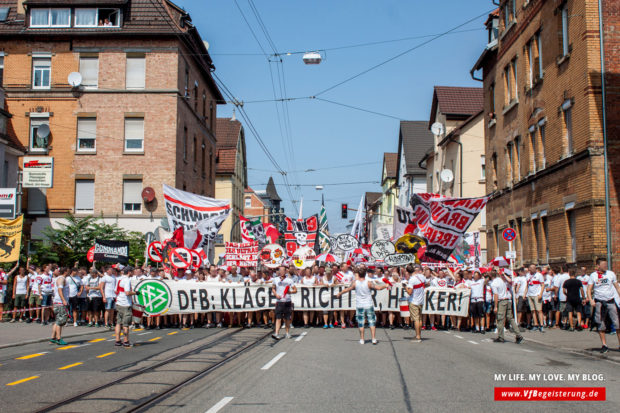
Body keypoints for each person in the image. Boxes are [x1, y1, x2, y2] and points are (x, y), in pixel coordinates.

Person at [337, 267, 388, 345]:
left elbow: (347, 289)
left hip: (360, 305)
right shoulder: (368, 282)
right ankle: (373, 338)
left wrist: (340, 293)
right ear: (365, 274)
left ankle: (362, 339)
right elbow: (379, 288)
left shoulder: (355, 283)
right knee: (372, 321)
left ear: (359, 274)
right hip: (368, 304)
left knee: (361, 322)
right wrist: (386, 285)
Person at [587, 258, 620, 353]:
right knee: (601, 324)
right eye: (603, 264)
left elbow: (617, 287)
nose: (605, 266)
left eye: (606, 264)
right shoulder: (593, 276)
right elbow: (589, 289)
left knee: (617, 323)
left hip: (610, 301)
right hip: (599, 302)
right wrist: (591, 300)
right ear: (598, 266)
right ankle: (604, 345)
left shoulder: (611, 274)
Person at [491, 270, 523, 344]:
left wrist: (495, 306)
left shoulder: (494, 283)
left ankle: (501, 337)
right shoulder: (501, 280)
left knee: (500, 319)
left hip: (502, 301)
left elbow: (496, 295)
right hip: (507, 300)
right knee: (510, 318)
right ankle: (518, 334)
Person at [114, 267, 139, 347]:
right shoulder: (127, 280)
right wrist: (135, 293)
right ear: (129, 272)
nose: (133, 273)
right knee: (126, 324)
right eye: (132, 271)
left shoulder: (118, 279)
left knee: (118, 323)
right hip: (125, 304)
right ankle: (126, 341)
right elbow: (127, 292)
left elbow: (116, 290)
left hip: (119, 302)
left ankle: (117, 340)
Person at [272, 266, 297, 340]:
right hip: (279, 301)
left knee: (287, 318)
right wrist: (276, 294)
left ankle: (287, 332)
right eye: (280, 270)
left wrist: (290, 292)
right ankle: (276, 333)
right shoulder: (275, 279)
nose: (282, 272)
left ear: (285, 271)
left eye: (283, 270)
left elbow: (295, 290)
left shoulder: (289, 280)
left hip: (287, 301)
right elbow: (273, 288)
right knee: (278, 317)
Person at [406, 265, 428, 343]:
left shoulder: (411, 280)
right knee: (419, 318)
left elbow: (410, 292)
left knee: (416, 319)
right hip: (421, 300)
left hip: (414, 301)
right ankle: (419, 335)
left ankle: (418, 336)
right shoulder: (421, 276)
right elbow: (427, 283)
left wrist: (405, 287)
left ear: (408, 272)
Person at [50, 268, 70, 345]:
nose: (69, 272)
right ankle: (58, 338)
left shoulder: (59, 278)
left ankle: (53, 337)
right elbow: (60, 290)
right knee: (61, 321)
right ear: (65, 271)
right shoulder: (61, 279)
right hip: (60, 303)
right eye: (68, 271)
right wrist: (63, 300)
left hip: (58, 302)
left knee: (58, 320)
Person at [525, 264, 545, 332]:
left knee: (539, 310)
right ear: (529, 269)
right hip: (530, 294)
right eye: (532, 268)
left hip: (537, 294)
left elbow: (542, 285)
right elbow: (527, 285)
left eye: (534, 268)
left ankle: (541, 325)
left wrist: (540, 294)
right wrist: (525, 294)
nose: (534, 269)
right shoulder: (527, 275)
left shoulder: (539, 275)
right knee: (532, 310)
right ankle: (535, 324)